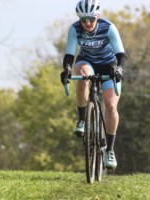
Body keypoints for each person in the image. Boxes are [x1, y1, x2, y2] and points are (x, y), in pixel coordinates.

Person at [60, 0, 127, 169]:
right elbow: (70, 54)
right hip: (87, 62)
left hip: (109, 65)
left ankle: (109, 150)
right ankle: (82, 120)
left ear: (97, 16)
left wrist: (119, 69)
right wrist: (67, 69)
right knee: (82, 76)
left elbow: (121, 55)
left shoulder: (108, 27)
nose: (87, 23)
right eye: (83, 19)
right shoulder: (75, 29)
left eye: (90, 18)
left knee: (111, 106)